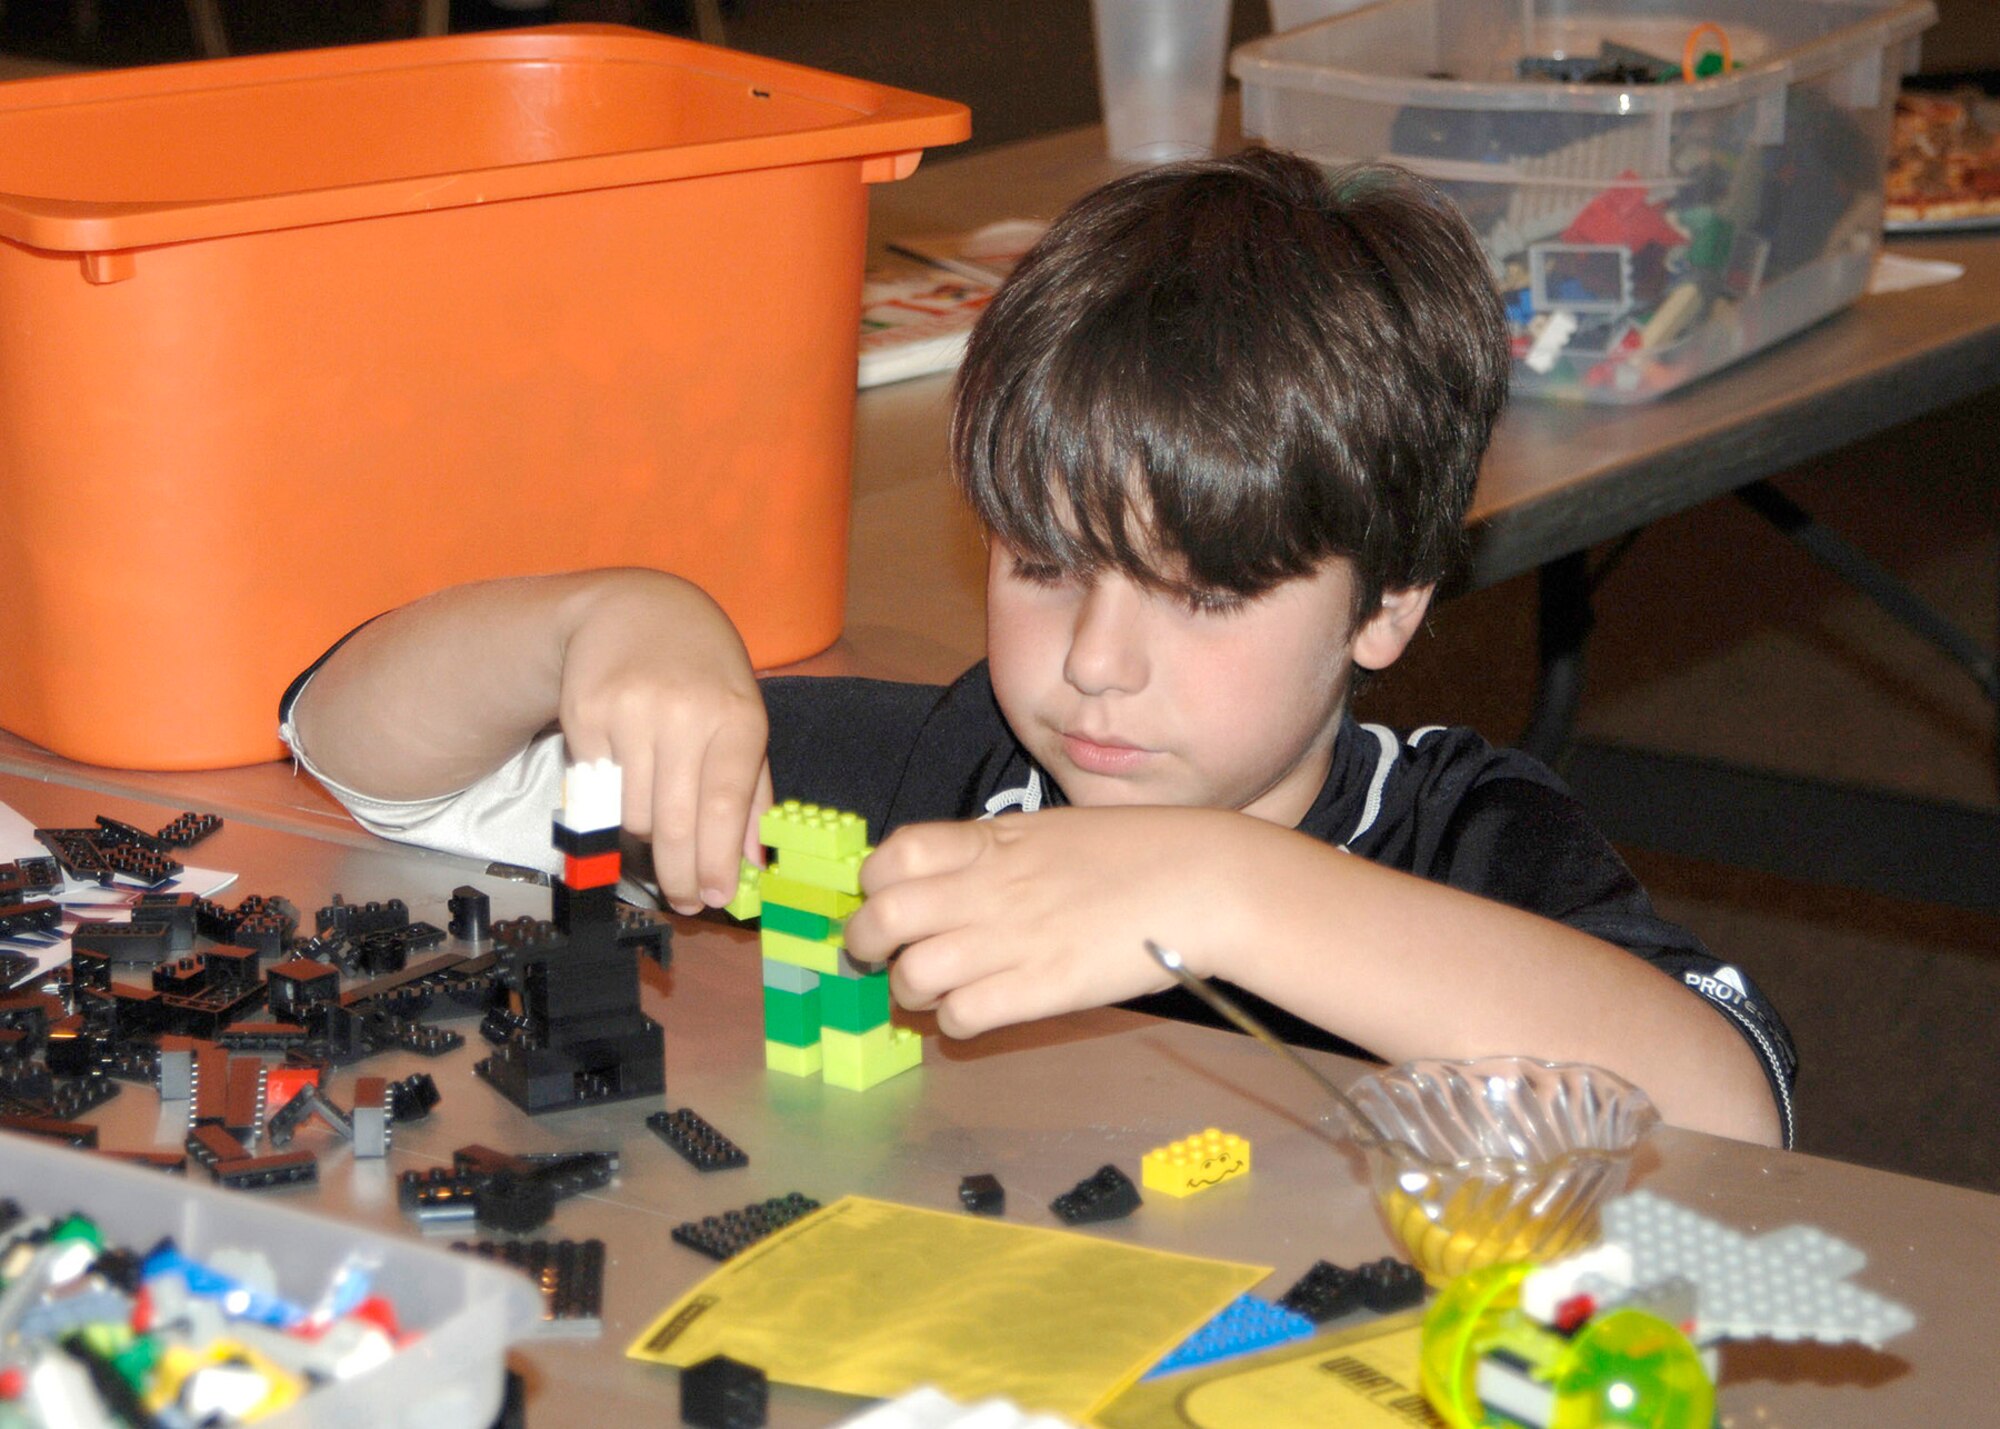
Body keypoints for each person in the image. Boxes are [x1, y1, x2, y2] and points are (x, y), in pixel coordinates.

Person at [282, 149, 1794, 1146]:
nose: (1096, 667)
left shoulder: (1463, 833)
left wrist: (1224, 886)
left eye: (1204, 594)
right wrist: (595, 621)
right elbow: (357, 753)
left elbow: (1735, 1116)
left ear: (1388, 602)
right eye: (1045, 564)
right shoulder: (952, 776)